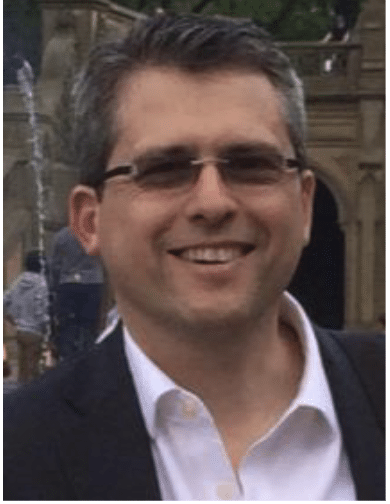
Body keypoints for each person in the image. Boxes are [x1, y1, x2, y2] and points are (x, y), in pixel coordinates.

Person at [4, 14, 384, 500]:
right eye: (163, 170)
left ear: (304, 204)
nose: (213, 203)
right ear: (89, 221)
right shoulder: (13, 454)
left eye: (251, 165)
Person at [48, 226, 105, 359]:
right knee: (90, 324)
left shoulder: (61, 236)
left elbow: (55, 264)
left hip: (68, 282)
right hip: (93, 282)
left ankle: (67, 357)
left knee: (67, 324)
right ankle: (89, 355)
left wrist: (55, 285)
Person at [3, 250, 49, 383]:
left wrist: (11, 318)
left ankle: (19, 392)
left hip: (20, 330)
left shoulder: (18, 281)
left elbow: (4, 300)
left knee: (22, 367)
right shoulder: (41, 283)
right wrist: (46, 325)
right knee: (32, 368)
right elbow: (42, 308)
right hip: (35, 331)